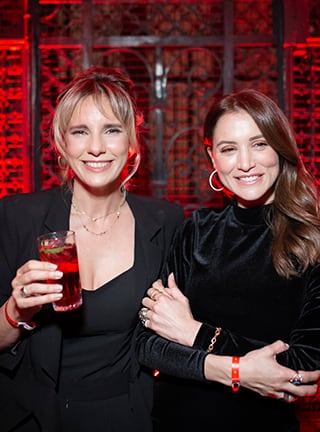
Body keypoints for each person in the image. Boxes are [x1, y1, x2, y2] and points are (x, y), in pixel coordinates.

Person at [135, 88, 320, 431]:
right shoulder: (197, 231)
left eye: (259, 144)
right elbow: (147, 344)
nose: (245, 162)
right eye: (229, 149)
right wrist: (239, 370)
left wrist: (194, 333)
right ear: (213, 158)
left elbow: (301, 369)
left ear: (281, 147)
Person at [0, 67, 184, 431]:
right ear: (62, 142)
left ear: (131, 141)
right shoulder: (17, 215)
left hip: (126, 416)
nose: (96, 147)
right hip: (32, 418)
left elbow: (180, 334)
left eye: (112, 130)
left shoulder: (165, 222)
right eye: (80, 131)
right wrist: (14, 309)